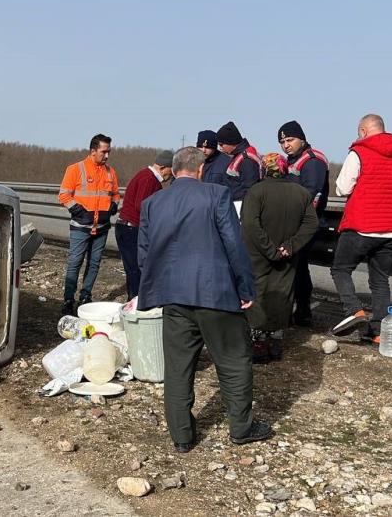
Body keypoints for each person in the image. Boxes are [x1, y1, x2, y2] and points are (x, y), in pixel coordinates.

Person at [138, 146, 273, 453]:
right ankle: (241, 427)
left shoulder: (152, 203)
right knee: (234, 361)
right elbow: (234, 245)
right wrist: (245, 289)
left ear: (174, 170)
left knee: (177, 368)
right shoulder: (216, 195)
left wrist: (158, 289)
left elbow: (144, 254)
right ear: (200, 170)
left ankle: (182, 436)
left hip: (173, 297)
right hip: (216, 294)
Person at [329, 114, 392, 342]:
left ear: (364, 130)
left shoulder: (359, 152)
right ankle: (378, 333)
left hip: (362, 225)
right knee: (379, 281)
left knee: (340, 269)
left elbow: (343, 189)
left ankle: (353, 310)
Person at [241, 153, 319, 363]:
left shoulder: (256, 192)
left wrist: (269, 249)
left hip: (258, 253)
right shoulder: (301, 193)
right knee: (283, 292)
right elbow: (311, 224)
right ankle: (276, 340)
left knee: (258, 292)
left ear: (264, 170)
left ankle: (258, 340)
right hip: (287, 255)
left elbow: (250, 224)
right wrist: (290, 247)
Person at [58, 134, 121, 315]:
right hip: (80, 226)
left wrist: (113, 206)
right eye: (104, 151)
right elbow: (63, 195)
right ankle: (68, 300)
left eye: (109, 151)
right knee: (75, 262)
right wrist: (80, 212)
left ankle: (85, 296)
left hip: (102, 228)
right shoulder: (76, 169)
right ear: (93, 151)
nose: (107, 155)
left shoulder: (110, 172)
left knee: (94, 264)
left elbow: (116, 194)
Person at [278, 120, 330, 326]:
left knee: (298, 267)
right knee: (293, 267)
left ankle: (303, 311)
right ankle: (293, 309)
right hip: (292, 221)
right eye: (282, 142)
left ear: (302, 139)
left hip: (306, 223)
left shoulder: (313, 160)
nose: (285, 145)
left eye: (289, 140)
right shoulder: (292, 160)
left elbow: (311, 193)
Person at [114, 150, 173, 299]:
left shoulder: (145, 175)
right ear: (164, 167)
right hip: (131, 229)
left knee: (133, 269)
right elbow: (142, 206)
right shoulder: (149, 179)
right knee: (135, 269)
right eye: (171, 171)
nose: (170, 176)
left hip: (127, 227)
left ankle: (134, 299)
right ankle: (136, 302)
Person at [216, 121, 264, 214]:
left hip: (241, 208)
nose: (220, 148)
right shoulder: (238, 156)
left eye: (222, 144)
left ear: (231, 142)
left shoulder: (247, 160)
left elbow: (250, 189)